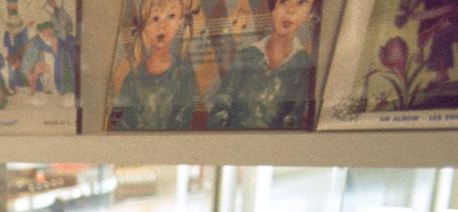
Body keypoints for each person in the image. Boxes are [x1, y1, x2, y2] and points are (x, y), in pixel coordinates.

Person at [205, 0, 317, 130]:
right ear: (273, 9)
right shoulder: (246, 56)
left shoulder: (305, 67)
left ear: (310, 14)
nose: (290, 10)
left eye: (301, 3)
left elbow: (294, 122)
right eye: (283, 1)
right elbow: (220, 109)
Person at [110, 0, 197, 131]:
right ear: (144, 26)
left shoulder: (183, 75)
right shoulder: (131, 80)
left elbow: (184, 122)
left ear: (181, 22)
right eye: (155, 18)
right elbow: (120, 123)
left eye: (171, 16)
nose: (162, 26)